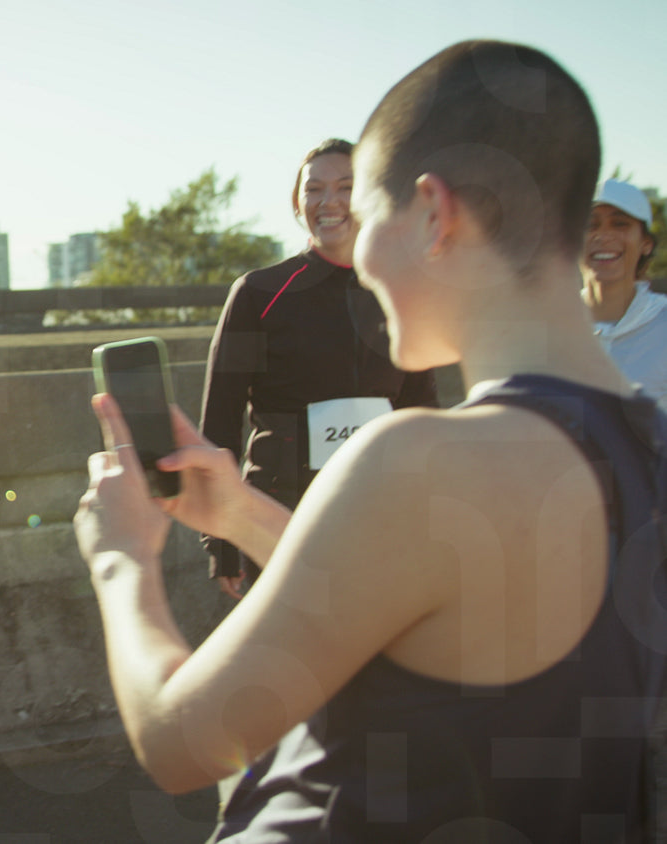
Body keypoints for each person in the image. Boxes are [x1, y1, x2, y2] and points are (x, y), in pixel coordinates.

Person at [75, 40, 667, 842]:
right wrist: (243, 513)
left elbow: (183, 742)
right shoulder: (647, 443)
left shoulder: (417, 463)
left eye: (369, 215)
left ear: (434, 215)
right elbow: (423, 598)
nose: (361, 253)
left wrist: (120, 558)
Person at [200, 138, 437, 599]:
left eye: (346, 187)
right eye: (314, 190)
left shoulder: (401, 290)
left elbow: (421, 412)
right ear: (297, 203)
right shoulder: (257, 294)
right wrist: (222, 542)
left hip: (381, 516)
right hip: (280, 519)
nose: (329, 202)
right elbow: (220, 424)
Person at [582, 177, 667, 409]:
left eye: (620, 224)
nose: (603, 235)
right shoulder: (545, 327)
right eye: (590, 225)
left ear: (646, 243)